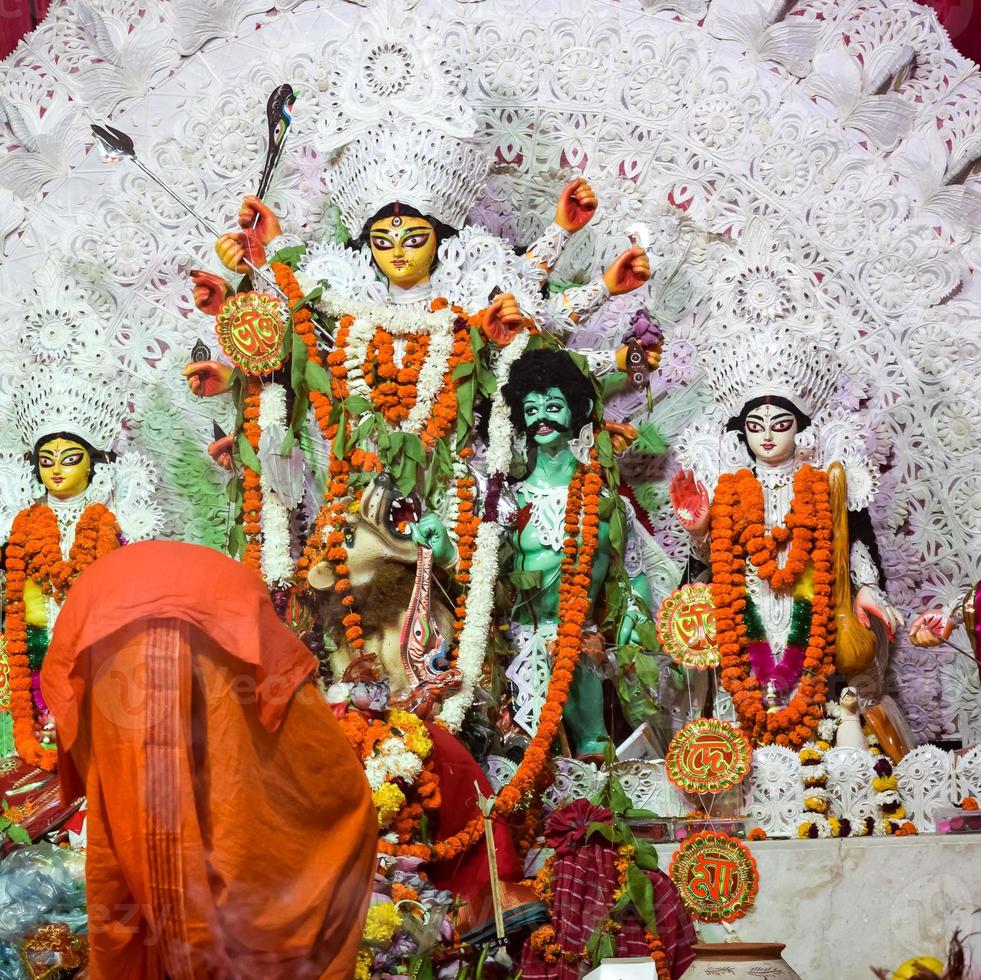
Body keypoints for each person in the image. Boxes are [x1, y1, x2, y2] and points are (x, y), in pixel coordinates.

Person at [40, 540, 376, 979]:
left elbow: (68, 699)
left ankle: (166, 949)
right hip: (205, 615)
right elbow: (298, 734)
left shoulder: (110, 583)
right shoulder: (224, 580)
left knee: (129, 811)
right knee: (226, 783)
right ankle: (218, 946)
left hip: (105, 622)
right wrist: (343, 810)